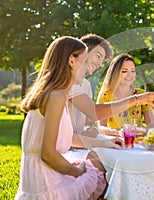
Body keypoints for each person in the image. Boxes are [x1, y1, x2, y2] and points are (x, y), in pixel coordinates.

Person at [15, 36, 123, 199]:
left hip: (40, 177)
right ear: (71, 60)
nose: (87, 67)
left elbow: (67, 138)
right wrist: (76, 170)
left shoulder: (55, 94)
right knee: (100, 174)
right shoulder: (56, 97)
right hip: (45, 184)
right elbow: (48, 154)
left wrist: (106, 143)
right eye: (84, 60)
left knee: (98, 168)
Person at [68, 33, 119, 138]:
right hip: (63, 148)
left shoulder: (86, 84)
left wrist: (94, 129)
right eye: (98, 56)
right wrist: (136, 99)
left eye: (102, 60)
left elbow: (90, 121)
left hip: (77, 145)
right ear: (84, 51)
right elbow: (94, 112)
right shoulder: (67, 80)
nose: (100, 64)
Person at [97, 53, 154, 133]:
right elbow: (101, 128)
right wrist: (118, 132)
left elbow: (152, 125)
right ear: (115, 73)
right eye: (124, 71)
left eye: (133, 71)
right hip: (116, 142)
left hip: (138, 143)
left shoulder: (141, 94)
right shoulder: (106, 95)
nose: (130, 75)